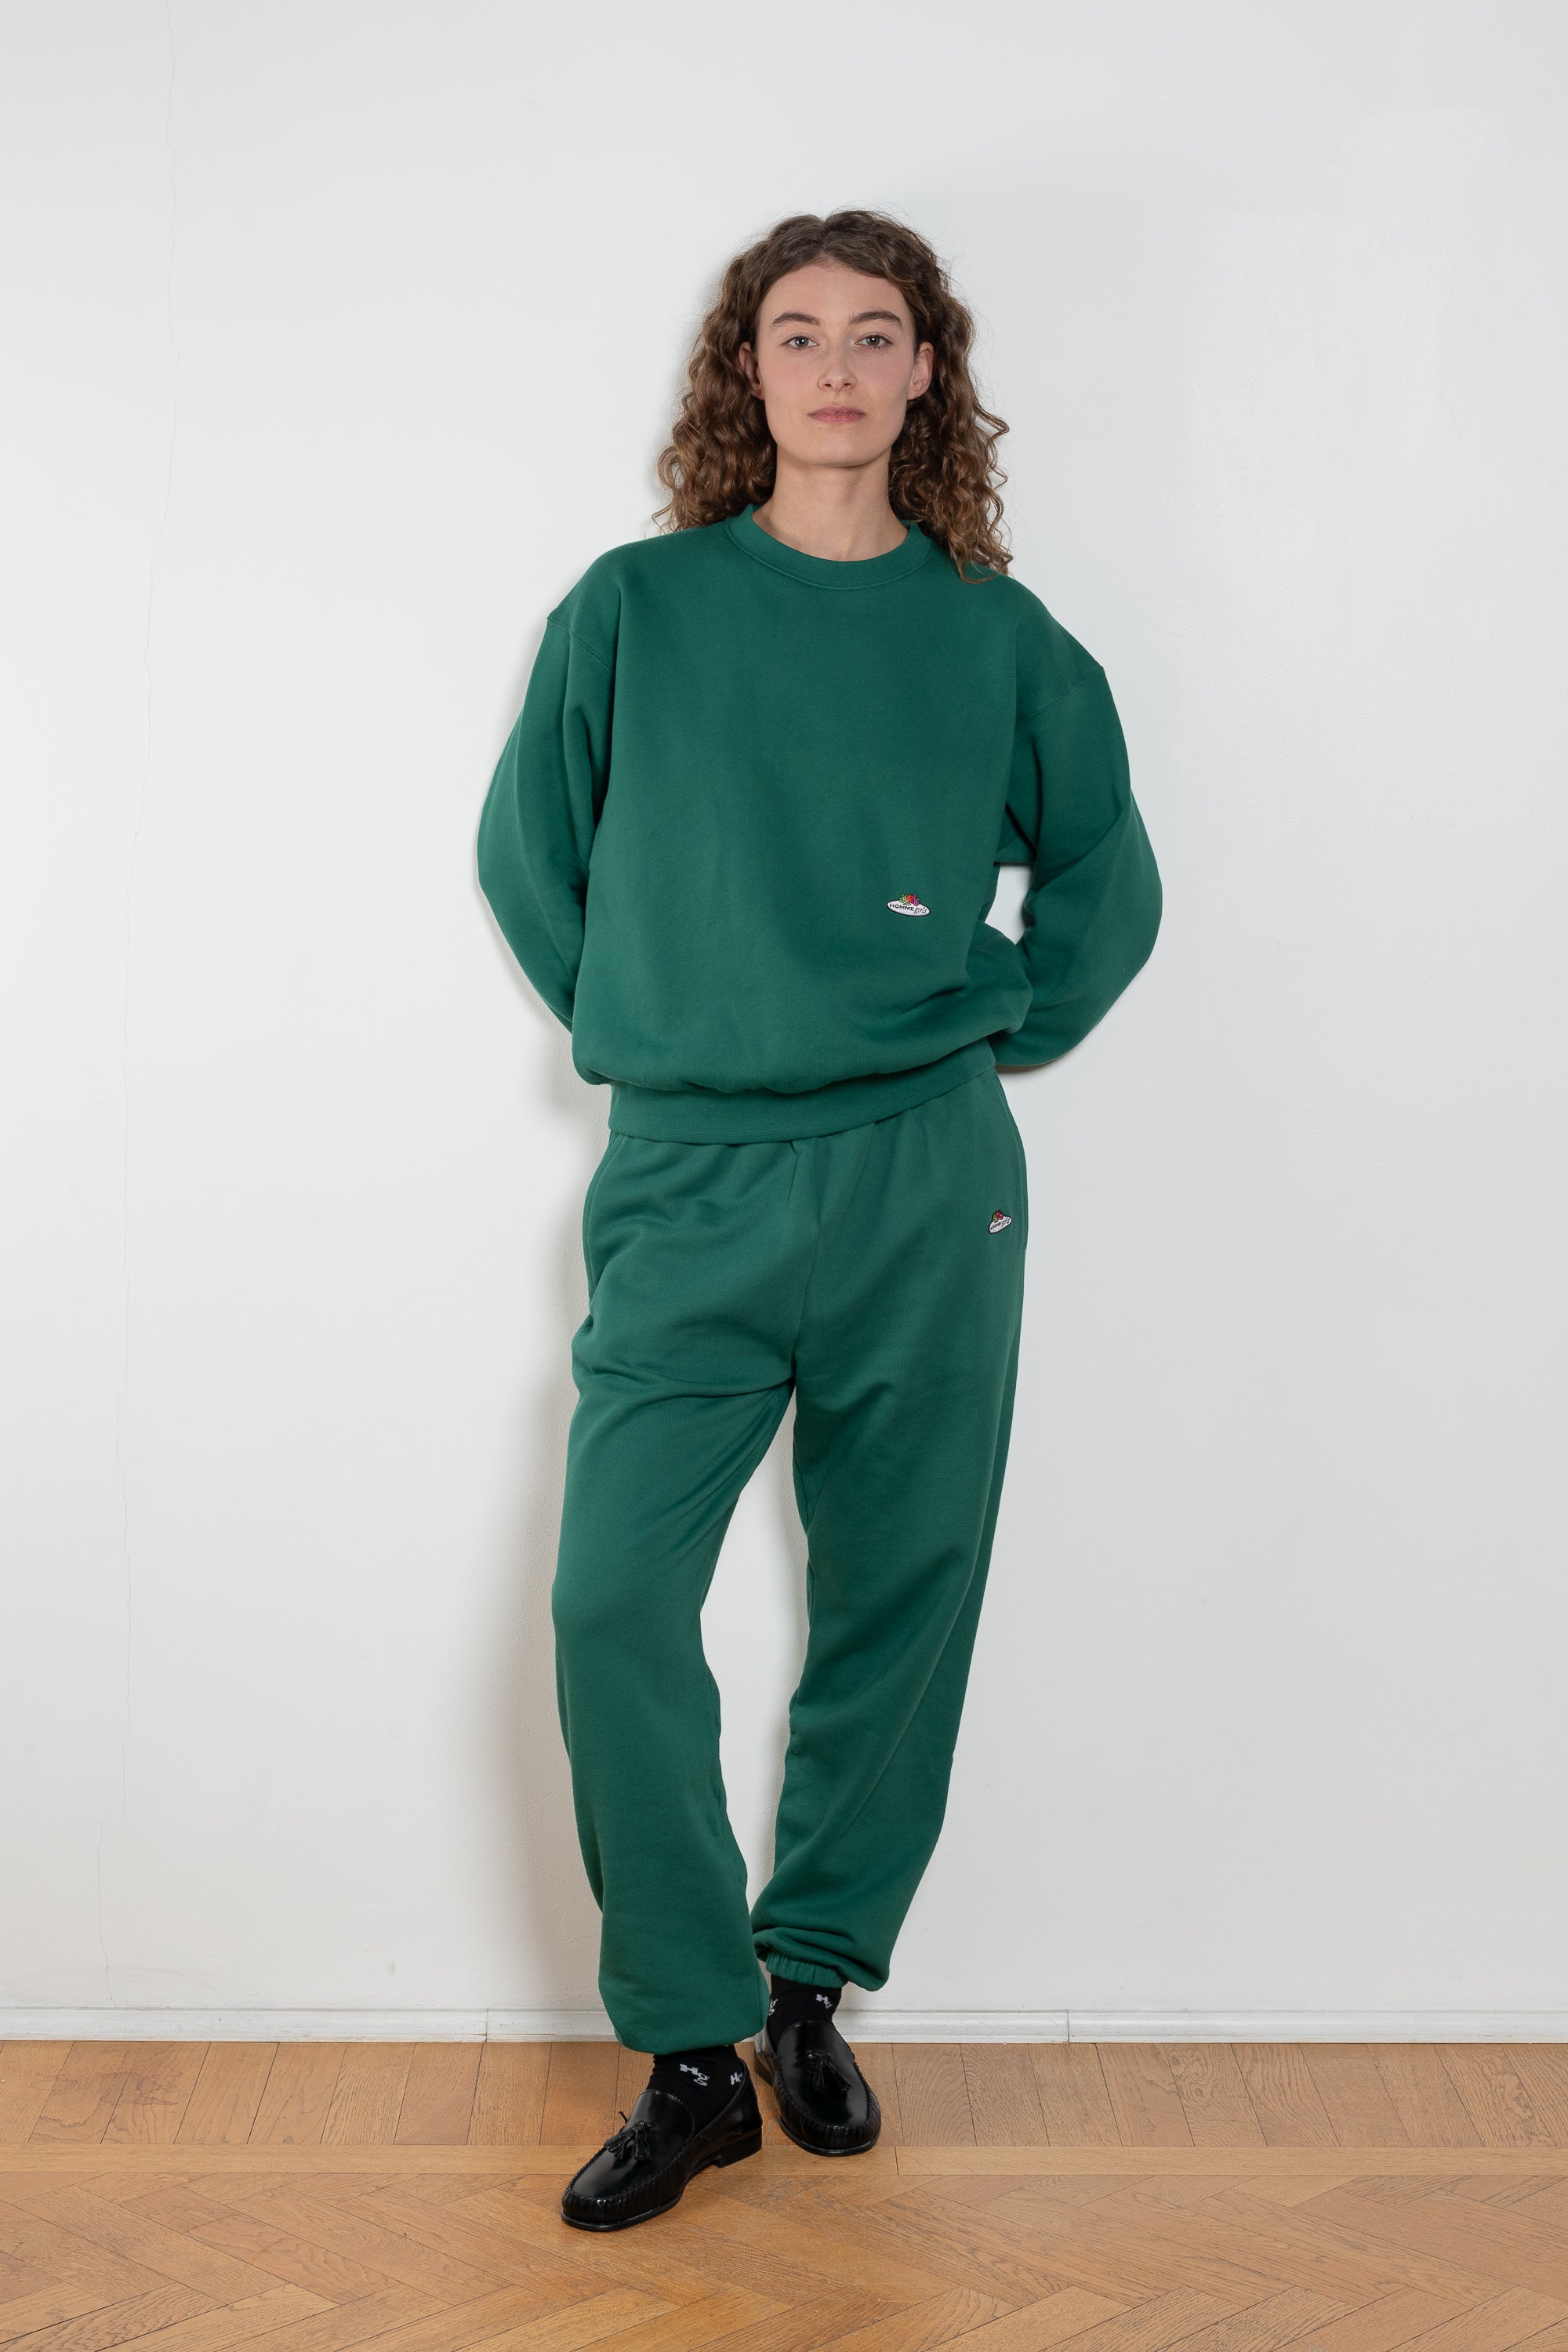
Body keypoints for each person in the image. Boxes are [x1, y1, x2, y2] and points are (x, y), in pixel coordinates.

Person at [476, 208, 1160, 2231]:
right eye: (799, 334)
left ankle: (809, 1987)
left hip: (925, 1181)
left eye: (877, 334)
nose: (838, 368)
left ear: (928, 372)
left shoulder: (998, 636)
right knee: (612, 1603)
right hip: (689, 1177)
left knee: (900, 1591)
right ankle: (691, 2050)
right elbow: (529, 854)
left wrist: (996, 1018)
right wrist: (667, 1020)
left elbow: (1107, 876)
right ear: (748, 373)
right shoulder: (639, 607)